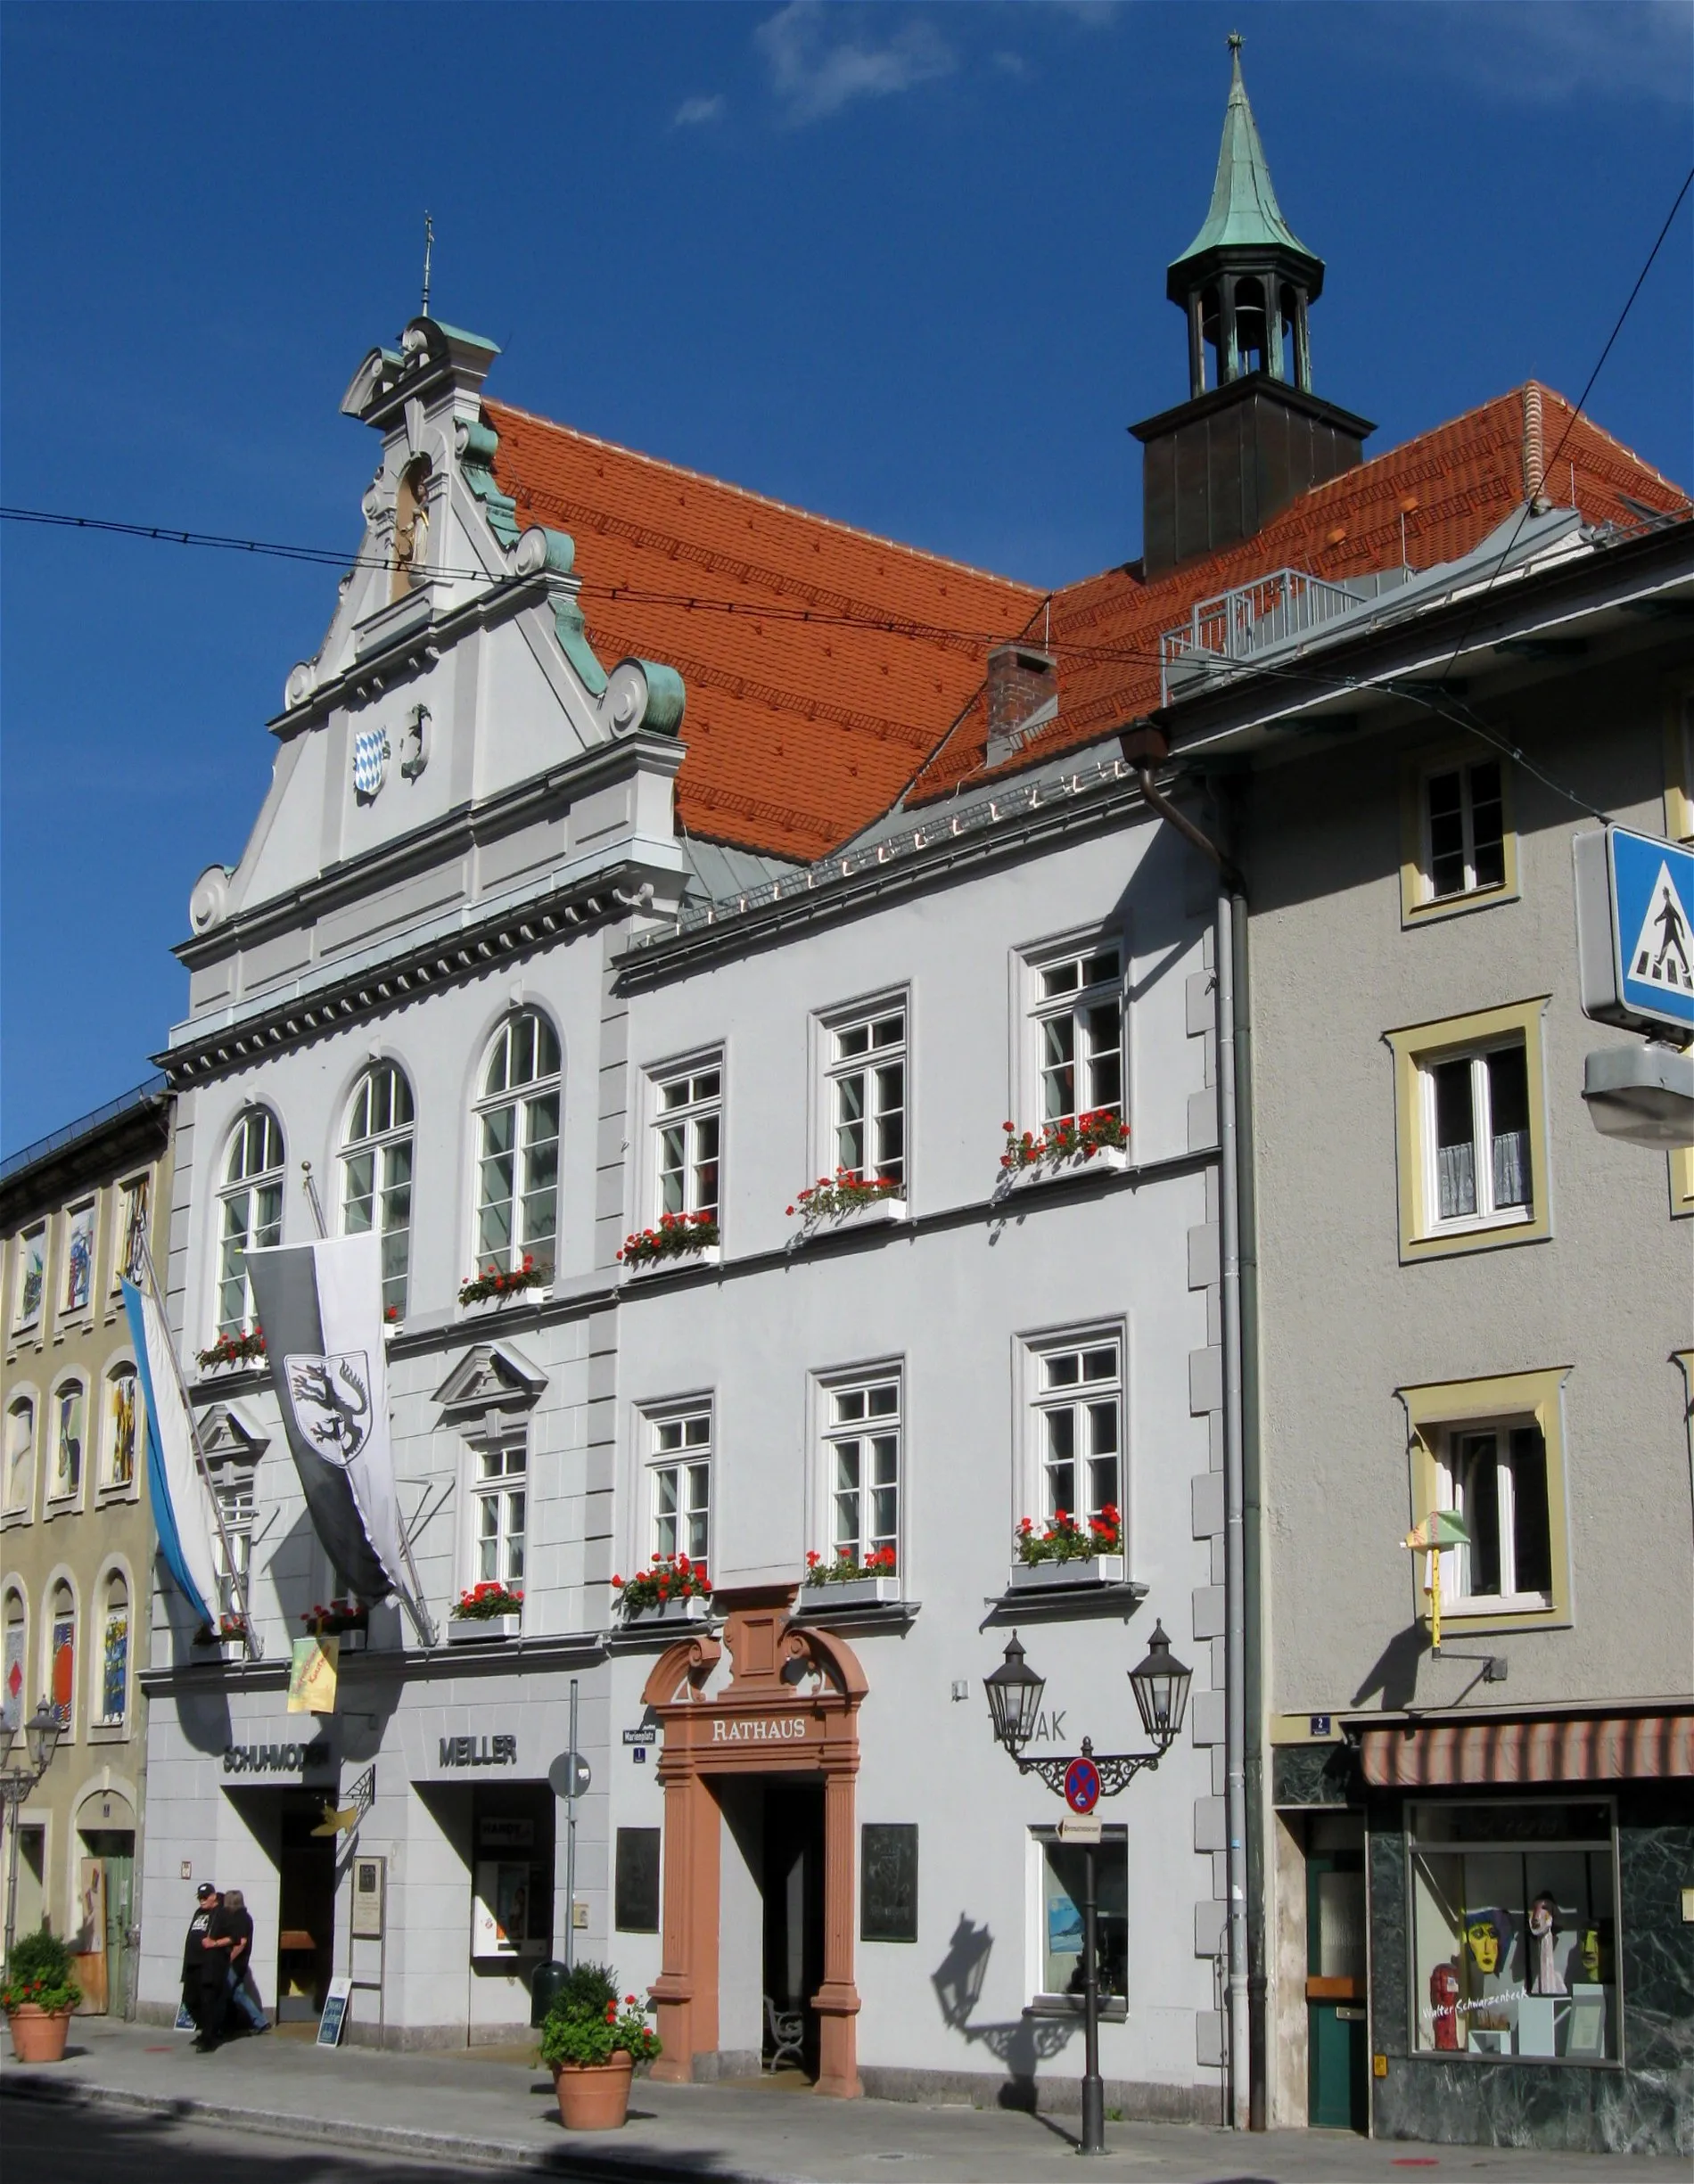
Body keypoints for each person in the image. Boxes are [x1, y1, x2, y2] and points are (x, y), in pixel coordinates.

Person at [197, 1885, 267, 2047]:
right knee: (236, 1993)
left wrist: (228, 1958)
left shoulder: (241, 1918)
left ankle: (257, 2021)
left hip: (235, 1963)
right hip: (238, 1963)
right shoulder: (242, 1917)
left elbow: (241, 1942)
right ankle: (249, 2022)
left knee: (228, 1993)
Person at [181, 1884, 218, 2032]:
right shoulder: (198, 1912)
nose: (202, 1900)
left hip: (206, 1964)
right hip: (192, 1962)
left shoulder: (217, 1913)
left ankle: (209, 2033)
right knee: (189, 1999)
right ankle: (204, 2027)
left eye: (205, 1897)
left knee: (206, 2000)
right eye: (200, 1898)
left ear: (213, 1896)